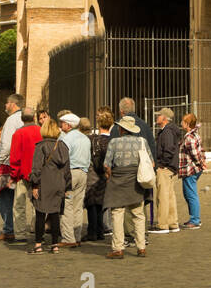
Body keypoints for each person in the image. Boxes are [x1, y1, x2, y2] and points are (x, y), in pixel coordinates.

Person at [103, 112, 150, 258]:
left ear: (122, 129)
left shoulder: (114, 142)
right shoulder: (142, 141)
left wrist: (109, 175)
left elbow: (106, 164)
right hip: (136, 181)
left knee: (117, 214)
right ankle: (141, 247)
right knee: (138, 214)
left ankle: (118, 248)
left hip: (118, 180)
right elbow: (151, 162)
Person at [29, 117, 72, 253]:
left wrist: (34, 185)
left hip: (44, 183)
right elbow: (67, 170)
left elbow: (36, 168)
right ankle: (55, 245)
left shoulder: (41, 146)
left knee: (40, 213)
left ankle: (38, 244)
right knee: (55, 214)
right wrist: (67, 187)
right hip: (59, 183)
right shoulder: (63, 146)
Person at [0, 93, 24, 242]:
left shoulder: (11, 120)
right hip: (24, 163)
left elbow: (6, 143)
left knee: (5, 197)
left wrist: (0, 160)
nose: (5, 106)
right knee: (21, 199)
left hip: (9, 164)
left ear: (13, 104)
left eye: (7, 103)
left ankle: (9, 229)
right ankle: (20, 229)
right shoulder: (26, 119)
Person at [58, 113, 91, 247]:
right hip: (83, 173)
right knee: (78, 206)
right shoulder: (85, 138)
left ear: (68, 125)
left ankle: (68, 238)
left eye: (62, 123)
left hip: (70, 173)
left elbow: (62, 159)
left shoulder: (66, 139)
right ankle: (77, 236)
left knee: (67, 206)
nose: (61, 126)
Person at [9, 108, 41, 242]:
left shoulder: (18, 133)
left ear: (22, 118)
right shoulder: (41, 131)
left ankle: (21, 234)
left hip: (23, 173)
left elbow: (15, 157)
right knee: (38, 204)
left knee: (19, 205)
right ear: (34, 117)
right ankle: (38, 230)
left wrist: (13, 174)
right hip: (39, 173)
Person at [152, 107, 182, 234]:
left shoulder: (167, 132)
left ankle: (163, 224)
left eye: (158, 115)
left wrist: (162, 164)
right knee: (169, 196)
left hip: (165, 167)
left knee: (162, 196)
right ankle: (172, 223)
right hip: (170, 167)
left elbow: (168, 149)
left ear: (164, 118)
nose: (156, 117)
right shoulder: (170, 131)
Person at [84, 107, 112, 242]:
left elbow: (96, 160)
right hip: (108, 174)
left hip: (95, 173)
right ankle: (100, 230)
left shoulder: (95, 140)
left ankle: (92, 231)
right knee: (101, 204)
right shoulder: (113, 139)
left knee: (92, 203)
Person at [179, 112, 206, 228]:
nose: (181, 123)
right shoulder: (194, 135)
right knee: (188, 193)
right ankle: (193, 218)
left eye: (183, 121)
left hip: (190, 169)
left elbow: (195, 153)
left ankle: (195, 220)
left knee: (191, 194)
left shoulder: (189, 138)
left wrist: (201, 163)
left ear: (187, 124)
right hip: (191, 168)